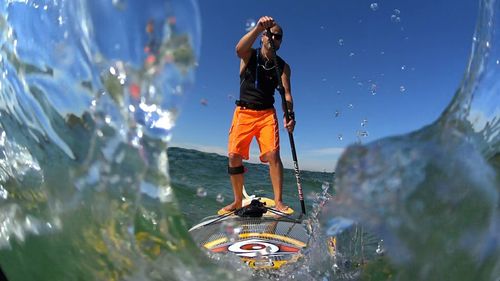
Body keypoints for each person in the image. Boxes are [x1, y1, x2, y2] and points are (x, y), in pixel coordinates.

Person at [221, 16, 295, 214]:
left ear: (280, 41)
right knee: (234, 155)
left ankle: (278, 201)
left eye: (277, 37)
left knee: (273, 155)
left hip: (266, 114)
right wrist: (258, 28)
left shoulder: (283, 67)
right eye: (269, 35)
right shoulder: (249, 55)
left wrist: (290, 114)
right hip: (244, 112)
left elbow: (286, 94)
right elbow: (238, 49)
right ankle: (237, 201)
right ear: (263, 37)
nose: (273, 39)